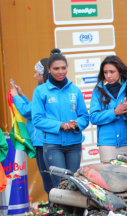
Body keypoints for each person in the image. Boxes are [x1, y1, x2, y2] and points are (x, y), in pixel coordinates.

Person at [32, 49, 89, 188]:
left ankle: (74, 211)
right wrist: (60, 125)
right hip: (52, 145)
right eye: (56, 68)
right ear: (48, 69)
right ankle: (62, 211)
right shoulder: (41, 91)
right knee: (61, 183)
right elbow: (37, 119)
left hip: (74, 144)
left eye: (63, 68)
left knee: (74, 183)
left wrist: (76, 124)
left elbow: (84, 117)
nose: (60, 71)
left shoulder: (75, 90)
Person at [10, 58, 54, 194]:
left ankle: (54, 211)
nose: (34, 75)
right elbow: (32, 111)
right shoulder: (47, 89)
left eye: (36, 73)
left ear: (42, 74)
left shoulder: (42, 89)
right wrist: (22, 96)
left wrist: (15, 97)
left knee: (49, 181)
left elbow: (27, 111)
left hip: (42, 142)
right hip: (44, 141)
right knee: (51, 179)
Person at [90, 56, 127, 163]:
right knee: (109, 178)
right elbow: (93, 118)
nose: (108, 75)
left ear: (120, 71)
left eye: (112, 72)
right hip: (107, 144)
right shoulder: (98, 91)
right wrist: (114, 112)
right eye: (105, 72)